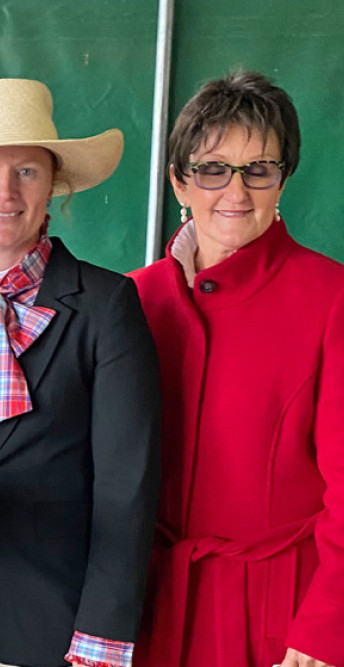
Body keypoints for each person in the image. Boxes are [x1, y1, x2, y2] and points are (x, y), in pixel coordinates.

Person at [0, 78, 161, 667]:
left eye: (27, 171)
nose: (5, 191)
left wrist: (101, 637)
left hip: (52, 618)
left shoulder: (106, 305)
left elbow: (128, 484)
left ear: (53, 186)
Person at [131, 71, 344, 667]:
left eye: (260, 169)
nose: (237, 190)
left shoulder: (332, 298)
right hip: (147, 606)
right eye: (212, 168)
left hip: (281, 617)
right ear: (180, 180)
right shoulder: (132, 300)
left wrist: (327, 627)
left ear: (284, 180)